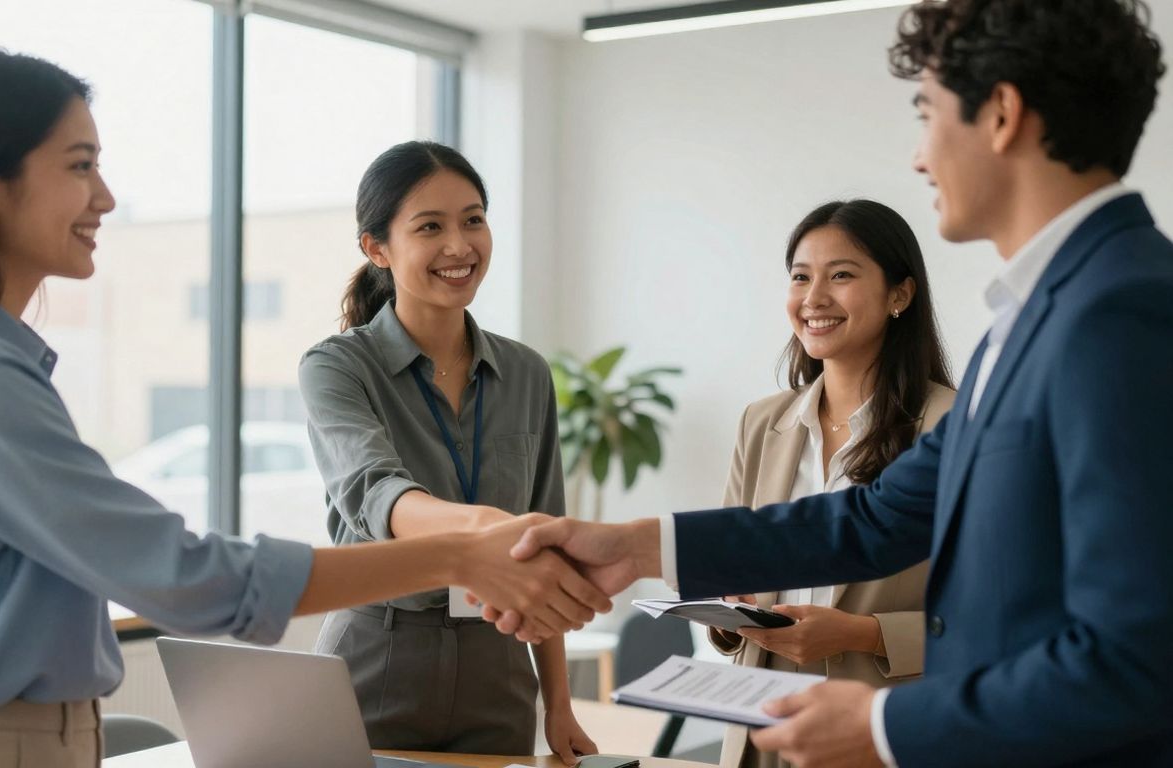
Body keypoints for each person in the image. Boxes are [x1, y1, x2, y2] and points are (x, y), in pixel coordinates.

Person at [0, 50, 608, 768]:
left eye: (473, 219)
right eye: (80, 165)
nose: (106, 197)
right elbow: (184, 574)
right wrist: (457, 554)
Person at [497, 1, 1173, 765]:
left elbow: (1136, 657)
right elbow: (875, 518)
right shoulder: (1031, 320)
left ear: (1001, 114)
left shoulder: (1124, 313)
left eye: (927, 114)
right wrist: (634, 546)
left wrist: (885, 725)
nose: (919, 157)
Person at [299, 141, 597, 764]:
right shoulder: (337, 367)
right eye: (430, 227)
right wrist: (485, 529)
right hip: (378, 653)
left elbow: (547, 536)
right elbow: (376, 492)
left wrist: (559, 703)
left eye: (473, 220)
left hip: (498, 664)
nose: (459, 246)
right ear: (377, 248)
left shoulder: (526, 372)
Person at [711, 199, 954, 768]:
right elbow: (727, 572)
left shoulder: (954, 428)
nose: (814, 297)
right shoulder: (761, 422)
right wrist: (728, 609)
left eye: (841, 275)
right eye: (801, 277)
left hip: (882, 730)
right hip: (762, 728)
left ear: (900, 294)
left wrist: (861, 634)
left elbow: (992, 622)